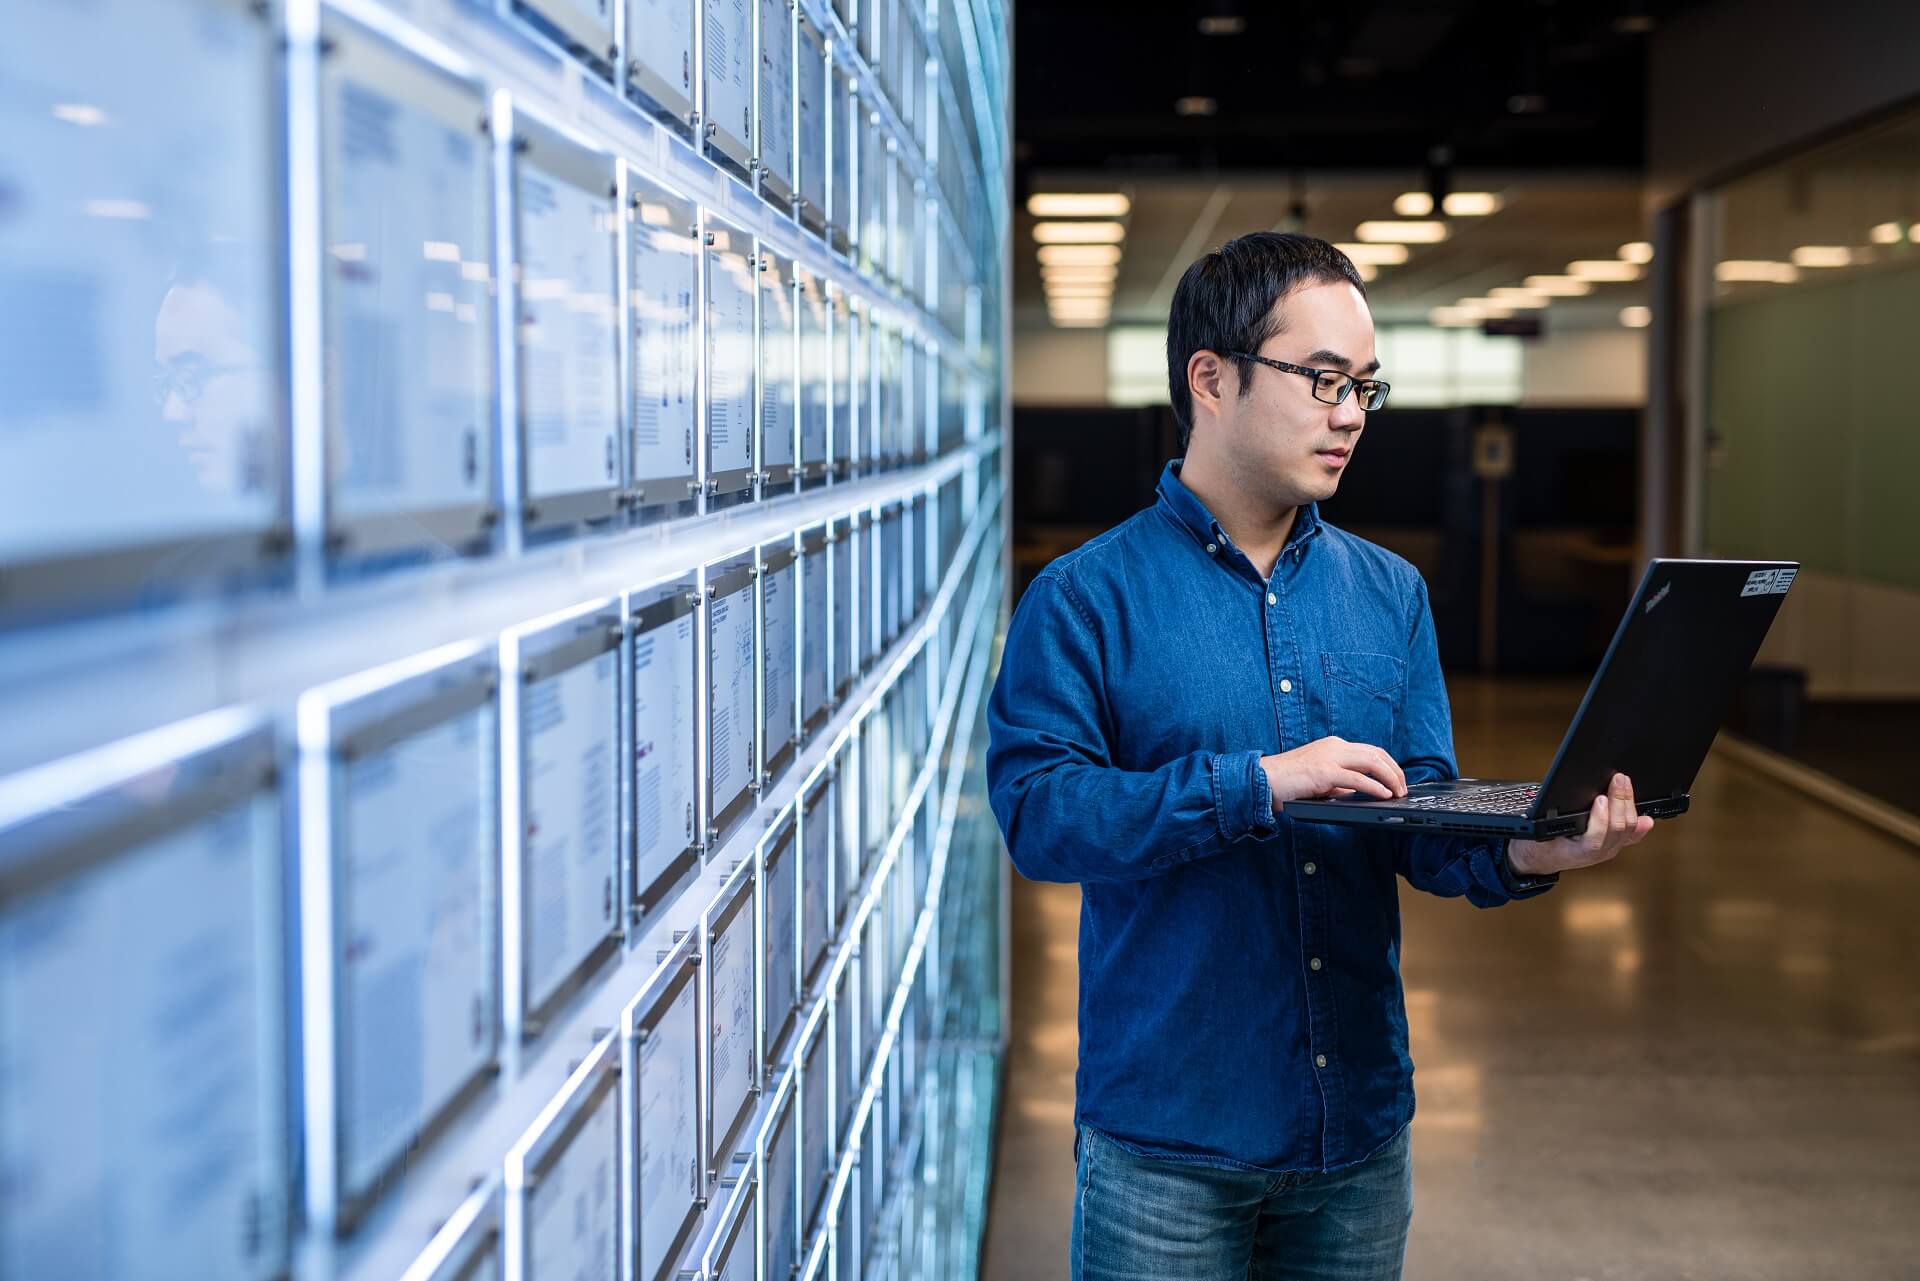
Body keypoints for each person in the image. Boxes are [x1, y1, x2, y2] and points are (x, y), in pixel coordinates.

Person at [985, 232, 1653, 1281]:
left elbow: (1420, 817)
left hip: (1358, 1137)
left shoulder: (1389, 594)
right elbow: (1041, 819)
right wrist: (1258, 785)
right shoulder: (1082, 599)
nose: (1350, 415)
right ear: (1212, 379)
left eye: (1365, 389)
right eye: (1323, 380)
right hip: (1169, 1144)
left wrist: (1530, 852)